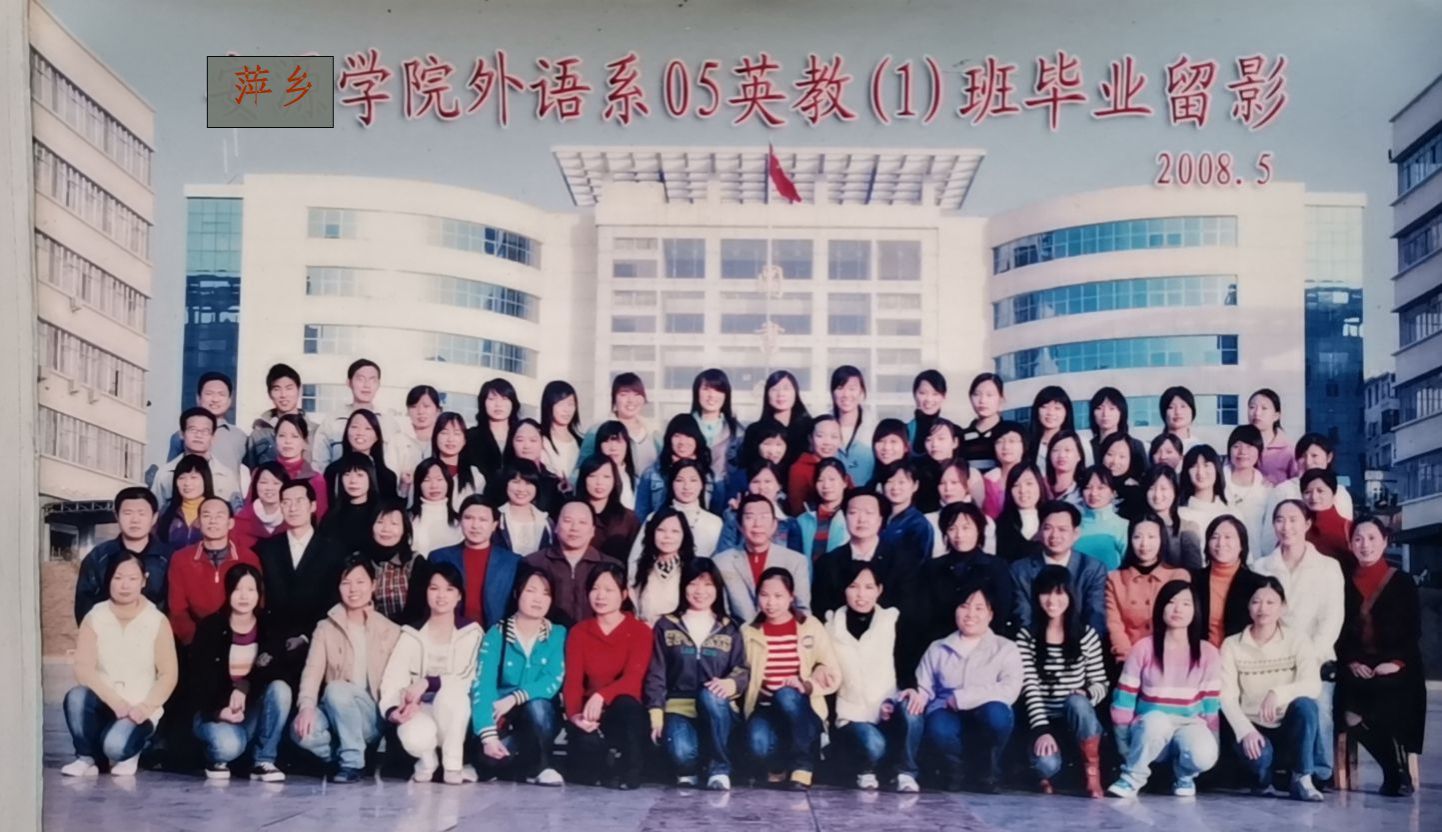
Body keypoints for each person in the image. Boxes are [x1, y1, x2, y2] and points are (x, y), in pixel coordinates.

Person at [1251, 499, 1345, 782]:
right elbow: (1259, 617)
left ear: (1307, 524)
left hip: (1315, 660)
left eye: (1293, 520)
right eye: (1280, 520)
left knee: (1318, 707)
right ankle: (1279, 766)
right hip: (1272, 659)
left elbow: (1331, 620)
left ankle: (1319, 771)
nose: (1286, 526)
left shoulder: (1328, 567)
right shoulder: (1261, 567)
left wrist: (1306, 660)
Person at [60, 553, 178, 778]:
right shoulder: (95, 617)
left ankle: (129, 751)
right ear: (109, 580)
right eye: (118, 578)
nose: (125, 585)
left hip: (139, 709)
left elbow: (168, 674)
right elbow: (83, 668)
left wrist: (145, 708)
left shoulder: (156, 620)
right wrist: (115, 702)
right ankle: (86, 758)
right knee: (76, 696)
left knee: (115, 747)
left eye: (132, 579)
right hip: (105, 703)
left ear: (144, 580)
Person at [290, 557, 403, 783]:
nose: (353, 589)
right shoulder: (325, 628)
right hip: (334, 711)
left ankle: (352, 763)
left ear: (373, 585)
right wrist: (306, 707)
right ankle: (346, 755)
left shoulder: (390, 630)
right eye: (346, 583)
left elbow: (398, 681)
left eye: (360, 582)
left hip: (370, 716)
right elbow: (312, 673)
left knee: (336, 689)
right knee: (300, 732)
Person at [1107, 580, 1222, 798]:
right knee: (1157, 722)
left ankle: (1184, 775)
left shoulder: (1208, 653)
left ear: (1195, 610)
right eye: (1171, 602)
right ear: (1161, 607)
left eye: (1186, 604)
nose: (1178, 609)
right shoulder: (1143, 648)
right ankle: (1131, 778)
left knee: (1204, 754)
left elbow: (1211, 704)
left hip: (1189, 725)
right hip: (1150, 727)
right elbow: (1124, 699)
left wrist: (1213, 741)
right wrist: (1123, 742)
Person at [644, 558, 749, 790]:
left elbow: (742, 668)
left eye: (708, 584)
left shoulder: (730, 627)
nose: (700, 591)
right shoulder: (666, 625)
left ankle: (719, 768)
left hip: (717, 707)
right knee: (682, 755)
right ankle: (694, 765)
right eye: (693, 583)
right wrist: (656, 711)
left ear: (718, 589)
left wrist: (732, 684)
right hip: (679, 706)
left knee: (710, 696)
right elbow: (656, 672)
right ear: (683, 586)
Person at [908, 584, 1022, 793]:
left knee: (997, 715)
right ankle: (955, 772)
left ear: (990, 614)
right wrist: (915, 695)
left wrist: (963, 698)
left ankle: (987, 773)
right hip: (946, 711)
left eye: (979, 608)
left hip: (985, 712)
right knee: (938, 727)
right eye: (964, 606)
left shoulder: (1005, 647)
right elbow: (925, 687)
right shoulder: (938, 647)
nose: (970, 614)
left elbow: (1010, 688)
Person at [1338, 516, 1423, 796]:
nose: (1365, 545)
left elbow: (1413, 630)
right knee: (1347, 709)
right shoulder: (1342, 583)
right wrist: (1352, 660)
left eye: (1372, 538)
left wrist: (1395, 662)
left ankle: (1396, 772)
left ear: (1385, 541)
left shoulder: (1402, 581)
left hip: (1399, 663)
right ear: (1351, 544)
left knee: (1389, 692)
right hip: (1358, 664)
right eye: (1358, 539)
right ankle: (1393, 767)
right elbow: (1340, 631)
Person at [1219, 577, 1325, 801]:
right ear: (1248, 606)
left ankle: (1303, 778)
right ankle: (1263, 778)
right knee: (1261, 762)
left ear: (1282, 607)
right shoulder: (1232, 644)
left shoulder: (1298, 640)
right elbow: (1226, 696)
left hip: (1289, 726)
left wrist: (1278, 693)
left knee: (1307, 705)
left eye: (1270, 602)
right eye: (1256, 602)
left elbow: (1313, 685)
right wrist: (1245, 730)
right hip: (1253, 727)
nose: (1263, 608)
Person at [824, 562, 925, 792]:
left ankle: (905, 772)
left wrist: (910, 688)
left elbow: (904, 663)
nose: (861, 595)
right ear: (844, 589)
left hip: (887, 705)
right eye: (854, 586)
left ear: (879, 590)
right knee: (874, 745)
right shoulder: (831, 625)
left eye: (869, 587)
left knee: (912, 710)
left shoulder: (891, 620)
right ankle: (866, 769)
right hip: (851, 714)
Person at [381, 564, 484, 785]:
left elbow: (466, 677)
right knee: (413, 735)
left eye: (449, 589)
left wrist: (427, 682)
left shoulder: (471, 632)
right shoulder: (411, 634)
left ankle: (453, 766)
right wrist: (393, 709)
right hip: (421, 708)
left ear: (459, 596)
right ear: (426, 592)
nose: (441, 596)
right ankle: (428, 762)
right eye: (434, 588)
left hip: (456, 714)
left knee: (452, 695)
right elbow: (393, 679)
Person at [740, 567, 841, 791]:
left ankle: (803, 766)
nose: (771, 603)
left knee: (786, 695)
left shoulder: (810, 625)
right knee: (758, 746)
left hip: (799, 704)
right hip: (765, 707)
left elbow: (833, 672)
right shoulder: (748, 631)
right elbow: (741, 670)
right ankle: (780, 765)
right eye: (764, 595)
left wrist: (806, 685)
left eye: (778, 596)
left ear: (791, 597)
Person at [189, 564, 292, 781]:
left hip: (251, 709)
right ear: (228, 592)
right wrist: (220, 710)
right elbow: (198, 680)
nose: (244, 596)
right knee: (228, 747)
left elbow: (275, 669)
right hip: (214, 711)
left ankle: (264, 760)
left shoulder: (269, 625)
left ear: (259, 593)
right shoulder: (211, 626)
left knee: (281, 689)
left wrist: (244, 686)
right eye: (237, 589)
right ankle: (219, 757)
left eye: (251, 589)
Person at [470, 567, 567, 787]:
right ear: (517, 593)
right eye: (531, 591)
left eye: (545, 593)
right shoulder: (497, 634)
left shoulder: (558, 634)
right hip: (504, 716)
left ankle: (542, 766)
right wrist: (489, 736)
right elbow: (483, 685)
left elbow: (552, 680)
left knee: (538, 707)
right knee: (490, 759)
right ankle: (517, 760)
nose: (538, 599)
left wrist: (515, 698)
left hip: (539, 714)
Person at [1017, 565, 1108, 798]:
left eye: (1059, 593)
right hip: (1045, 721)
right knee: (1046, 765)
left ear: (1070, 595)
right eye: (1045, 593)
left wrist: (1088, 693)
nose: (1052, 600)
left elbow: (1101, 683)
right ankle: (1050, 773)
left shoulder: (1086, 635)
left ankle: (1092, 773)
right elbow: (1030, 688)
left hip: (1078, 720)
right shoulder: (1026, 636)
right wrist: (1042, 730)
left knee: (1077, 702)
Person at [563, 563, 653, 790]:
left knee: (626, 704)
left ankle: (632, 771)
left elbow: (634, 678)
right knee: (585, 768)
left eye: (609, 589)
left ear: (624, 594)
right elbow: (573, 681)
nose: (600, 595)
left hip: (625, 713)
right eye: (595, 589)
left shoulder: (640, 631)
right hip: (591, 714)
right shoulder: (579, 632)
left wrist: (602, 695)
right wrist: (576, 717)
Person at [254, 479, 346, 673]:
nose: (292, 508)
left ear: (313, 506)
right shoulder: (265, 549)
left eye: (299, 501)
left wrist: (305, 636)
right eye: (286, 502)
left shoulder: (334, 550)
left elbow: (334, 600)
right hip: (273, 646)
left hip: (318, 643)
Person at [166, 496, 261, 646]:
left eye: (219, 516)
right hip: (197, 641)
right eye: (207, 516)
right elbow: (177, 610)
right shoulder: (181, 559)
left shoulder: (248, 557)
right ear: (198, 522)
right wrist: (197, 641)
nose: (213, 521)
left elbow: (258, 602)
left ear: (230, 523)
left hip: (240, 638)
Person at [923, 502, 1017, 646]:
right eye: (952, 528)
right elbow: (926, 614)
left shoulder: (996, 567)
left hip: (985, 645)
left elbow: (1002, 612)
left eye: (966, 528)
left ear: (979, 529)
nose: (959, 535)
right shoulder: (932, 567)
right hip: (942, 645)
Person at [1010, 501, 1108, 638]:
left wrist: (1083, 645)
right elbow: (1023, 616)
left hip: (1081, 644)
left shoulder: (1093, 568)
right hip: (1034, 644)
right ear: (1039, 531)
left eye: (1062, 529)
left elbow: (1095, 615)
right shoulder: (1020, 570)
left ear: (1076, 533)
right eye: (1048, 528)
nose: (1054, 535)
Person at [426, 496, 522, 631]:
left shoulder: (512, 562)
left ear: (494, 525)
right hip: (451, 634)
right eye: (468, 518)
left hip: (497, 635)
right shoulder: (439, 557)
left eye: (483, 520)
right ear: (460, 521)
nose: (475, 525)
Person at [74, 487, 169, 624]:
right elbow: (85, 606)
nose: (135, 520)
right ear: (117, 516)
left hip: (156, 633)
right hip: (109, 633)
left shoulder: (168, 558)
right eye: (128, 513)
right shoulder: (99, 557)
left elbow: (174, 607)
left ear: (154, 518)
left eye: (141, 513)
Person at [1105, 515, 1192, 663]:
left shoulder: (1178, 575)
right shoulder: (1114, 578)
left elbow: (1179, 623)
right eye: (1137, 537)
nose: (1144, 544)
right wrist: (1128, 659)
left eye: (1151, 537)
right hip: (1127, 659)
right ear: (1130, 540)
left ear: (1162, 540)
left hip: (1167, 658)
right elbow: (1114, 624)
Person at [713, 494, 811, 622]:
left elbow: (802, 610)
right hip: (738, 632)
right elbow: (722, 613)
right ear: (739, 525)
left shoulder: (795, 561)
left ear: (774, 525)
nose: (757, 524)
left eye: (764, 517)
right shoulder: (722, 562)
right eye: (749, 517)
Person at [1260, 433, 1355, 553]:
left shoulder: (1340, 493)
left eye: (1314, 456)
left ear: (1329, 457)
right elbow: (1269, 539)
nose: (1308, 462)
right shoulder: (1283, 490)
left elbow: (1346, 535)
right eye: (1303, 456)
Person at [523, 498, 611, 627]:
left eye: (582, 522)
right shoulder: (533, 563)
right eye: (567, 521)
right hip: (547, 637)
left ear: (593, 530)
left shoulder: (609, 566)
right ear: (556, 527)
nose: (574, 528)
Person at [812, 489, 892, 621]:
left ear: (880, 519)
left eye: (869, 513)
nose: (861, 519)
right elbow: (820, 611)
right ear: (844, 518)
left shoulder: (902, 560)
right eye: (853, 513)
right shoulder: (827, 563)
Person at [311, 359, 403, 470]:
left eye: (372, 380)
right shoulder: (332, 421)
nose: (366, 385)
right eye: (360, 379)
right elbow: (319, 465)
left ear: (378, 384)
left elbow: (398, 466)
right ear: (349, 383)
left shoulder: (390, 424)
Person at [1193, 515, 1268, 647]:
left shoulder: (1257, 584)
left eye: (1228, 537)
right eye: (1214, 537)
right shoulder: (1193, 580)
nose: (1221, 543)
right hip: (1201, 655)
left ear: (1241, 545)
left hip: (1242, 655)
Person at [153, 408, 248, 509]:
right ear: (182, 434)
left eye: (205, 431)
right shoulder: (165, 474)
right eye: (193, 430)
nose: (198, 435)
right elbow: (155, 511)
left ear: (213, 437)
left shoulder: (227, 476)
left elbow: (237, 512)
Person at [578, 372, 663, 481]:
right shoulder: (597, 430)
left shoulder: (653, 432)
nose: (631, 400)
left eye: (637, 394)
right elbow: (581, 469)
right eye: (624, 394)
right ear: (614, 399)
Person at [635, 414, 712, 522]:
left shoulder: (709, 475)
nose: (682, 442)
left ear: (697, 439)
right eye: (677, 436)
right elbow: (641, 516)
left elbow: (715, 513)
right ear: (669, 439)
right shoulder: (652, 474)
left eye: (688, 436)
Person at [166, 371, 247, 473]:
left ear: (229, 400)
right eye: (209, 393)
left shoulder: (240, 436)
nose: (215, 399)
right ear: (198, 398)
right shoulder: (180, 436)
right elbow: (170, 472)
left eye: (221, 394)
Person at [630, 507, 697, 625]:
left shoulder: (692, 569)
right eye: (661, 530)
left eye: (675, 531)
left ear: (684, 535)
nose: (667, 536)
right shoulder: (639, 567)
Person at [244, 363, 315, 469]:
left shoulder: (315, 432)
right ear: (269, 393)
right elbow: (253, 472)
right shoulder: (258, 435)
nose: (283, 395)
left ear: (299, 390)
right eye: (277, 389)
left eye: (289, 388)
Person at [715, 459, 793, 553]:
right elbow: (723, 554)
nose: (761, 487)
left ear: (779, 486)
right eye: (755, 482)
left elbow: (796, 558)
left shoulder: (790, 523)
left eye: (768, 481)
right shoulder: (735, 517)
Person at [924, 458, 997, 556]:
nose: (948, 488)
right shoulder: (928, 521)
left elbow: (989, 559)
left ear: (967, 484)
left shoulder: (985, 521)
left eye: (954, 482)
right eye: (942, 483)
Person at [365, 498, 421, 622]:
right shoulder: (360, 561)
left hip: (406, 631)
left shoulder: (415, 562)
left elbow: (418, 612)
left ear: (404, 529)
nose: (386, 529)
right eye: (380, 522)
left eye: (394, 524)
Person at [324, 409, 400, 499]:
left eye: (368, 428)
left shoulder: (387, 476)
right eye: (354, 427)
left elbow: (393, 505)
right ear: (346, 432)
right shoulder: (333, 470)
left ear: (377, 437)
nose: (360, 433)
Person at [269, 413, 330, 522]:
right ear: (275, 439)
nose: (287, 441)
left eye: (295, 436)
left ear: (305, 442)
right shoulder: (263, 474)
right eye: (282, 435)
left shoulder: (316, 479)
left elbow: (320, 519)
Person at [719, 421, 789, 516]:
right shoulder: (740, 477)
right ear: (754, 445)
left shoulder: (789, 472)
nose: (773, 451)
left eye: (779, 444)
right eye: (767, 444)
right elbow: (728, 507)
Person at [580, 455, 641, 563]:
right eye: (593, 476)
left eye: (606, 477)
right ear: (583, 479)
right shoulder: (572, 513)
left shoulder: (629, 519)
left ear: (615, 480)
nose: (599, 482)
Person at [318, 453, 382, 556]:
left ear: (370, 477)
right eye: (347, 474)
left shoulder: (381, 513)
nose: (353, 481)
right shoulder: (332, 515)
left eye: (360, 475)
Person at [691, 368, 745, 489]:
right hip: (690, 492)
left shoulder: (738, 432)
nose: (711, 395)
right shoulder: (683, 426)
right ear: (696, 392)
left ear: (726, 394)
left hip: (725, 493)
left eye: (718, 390)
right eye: (706, 389)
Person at [789, 457, 850, 560]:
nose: (826, 485)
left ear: (845, 482)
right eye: (820, 480)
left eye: (832, 479)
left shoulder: (851, 516)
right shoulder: (803, 520)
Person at [1178, 445, 1235, 555]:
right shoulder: (1180, 515)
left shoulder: (1232, 513)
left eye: (1206, 465)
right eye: (1194, 466)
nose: (1200, 472)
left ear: (1217, 468)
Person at [463, 378, 521, 486]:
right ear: (483, 403)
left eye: (504, 399)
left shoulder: (521, 435)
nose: (498, 404)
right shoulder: (470, 437)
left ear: (513, 403)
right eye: (492, 399)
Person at [1143, 464, 1202, 569]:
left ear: (1175, 492)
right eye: (1151, 488)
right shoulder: (1137, 526)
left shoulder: (1187, 528)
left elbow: (1194, 571)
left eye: (1163, 489)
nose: (1157, 495)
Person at [753, 369, 812, 473]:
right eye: (774, 389)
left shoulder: (810, 427)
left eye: (786, 388)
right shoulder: (754, 430)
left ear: (795, 392)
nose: (780, 394)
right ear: (767, 394)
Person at [1223, 426, 1272, 549]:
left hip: (1255, 554)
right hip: (1221, 552)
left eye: (1249, 446)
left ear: (1259, 451)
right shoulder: (1216, 482)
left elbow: (1269, 531)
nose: (1242, 452)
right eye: (1236, 446)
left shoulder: (1266, 489)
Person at [493, 461, 555, 556]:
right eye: (516, 482)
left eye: (528, 483)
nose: (521, 489)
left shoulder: (546, 521)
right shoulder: (495, 518)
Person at [787, 414, 845, 516]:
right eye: (820, 436)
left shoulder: (839, 466)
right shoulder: (799, 469)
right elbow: (798, 511)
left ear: (840, 441)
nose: (827, 442)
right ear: (810, 438)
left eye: (834, 437)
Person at [155, 455, 213, 554]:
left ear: (206, 479)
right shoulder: (165, 513)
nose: (187, 483)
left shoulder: (218, 511)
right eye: (181, 478)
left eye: (193, 477)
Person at [831, 365, 877, 488]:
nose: (846, 394)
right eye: (840, 388)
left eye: (852, 389)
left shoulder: (875, 428)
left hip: (867, 495)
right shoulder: (823, 428)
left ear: (862, 393)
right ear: (833, 393)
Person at [1075, 466, 1128, 570]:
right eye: (1088, 487)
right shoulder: (1074, 525)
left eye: (1101, 488)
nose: (1093, 493)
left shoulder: (1123, 526)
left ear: (1113, 493)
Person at [407, 458, 462, 557]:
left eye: (439, 479)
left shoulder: (459, 521)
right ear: (418, 485)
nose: (434, 486)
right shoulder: (408, 518)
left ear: (448, 483)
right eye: (427, 480)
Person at [393, 386, 442, 495]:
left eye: (426, 406)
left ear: (438, 411)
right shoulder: (397, 441)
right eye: (414, 406)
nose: (420, 411)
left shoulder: (443, 441)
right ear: (407, 411)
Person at [431, 411, 485, 508]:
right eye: (444, 433)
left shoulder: (476, 476)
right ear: (435, 437)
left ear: (464, 440)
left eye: (456, 433)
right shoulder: (425, 470)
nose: (450, 439)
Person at [1087, 387, 1146, 476]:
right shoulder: (1088, 447)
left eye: (1112, 408)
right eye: (1099, 408)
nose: (1105, 414)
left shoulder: (1135, 446)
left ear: (1121, 412)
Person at [1301, 469, 1354, 569]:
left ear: (1333, 493)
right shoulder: (1296, 527)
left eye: (1320, 491)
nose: (1314, 497)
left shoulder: (1349, 529)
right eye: (1307, 492)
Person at [994, 464, 1046, 563]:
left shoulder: (1051, 517)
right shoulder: (1001, 524)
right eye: (1016, 485)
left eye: (1029, 483)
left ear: (1040, 485)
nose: (1023, 490)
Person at [232, 461, 288, 552]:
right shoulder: (240, 522)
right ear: (255, 485)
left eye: (276, 483)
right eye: (263, 482)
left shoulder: (294, 520)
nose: (269, 488)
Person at [1248, 389, 1300, 486]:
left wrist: (1278, 483)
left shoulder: (1288, 451)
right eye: (1252, 407)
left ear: (1276, 416)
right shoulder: (1240, 445)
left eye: (1264, 408)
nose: (1257, 413)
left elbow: (1298, 484)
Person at [539, 380, 584, 490]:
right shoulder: (538, 440)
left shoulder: (582, 443)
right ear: (549, 405)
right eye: (560, 404)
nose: (566, 410)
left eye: (570, 404)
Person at [982, 421, 1030, 520]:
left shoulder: (1036, 477)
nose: (1006, 447)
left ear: (1024, 444)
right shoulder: (987, 481)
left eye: (1012, 441)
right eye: (999, 442)